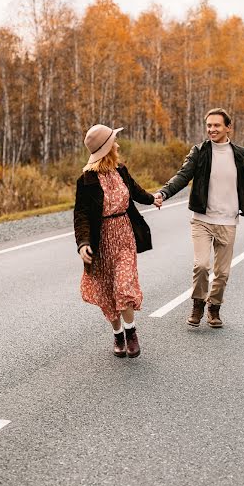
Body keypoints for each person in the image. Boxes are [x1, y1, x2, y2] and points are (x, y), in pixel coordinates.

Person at [154, 108, 244, 328]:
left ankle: (214, 309)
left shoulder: (242, 155)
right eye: (209, 125)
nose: (212, 129)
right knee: (202, 265)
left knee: (222, 273)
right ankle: (197, 305)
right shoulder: (199, 152)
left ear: (228, 127)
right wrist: (163, 193)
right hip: (202, 220)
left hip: (228, 221)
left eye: (216, 125)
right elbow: (182, 176)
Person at [74, 124, 161, 358]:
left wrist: (153, 199)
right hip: (100, 241)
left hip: (124, 234)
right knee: (106, 292)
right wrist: (83, 243)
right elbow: (81, 215)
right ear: (105, 148)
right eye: (114, 141)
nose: (118, 145)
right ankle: (117, 333)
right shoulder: (86, 181)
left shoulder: (121, 170)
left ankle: (131, 332)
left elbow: (135, 191)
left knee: (124, 286)